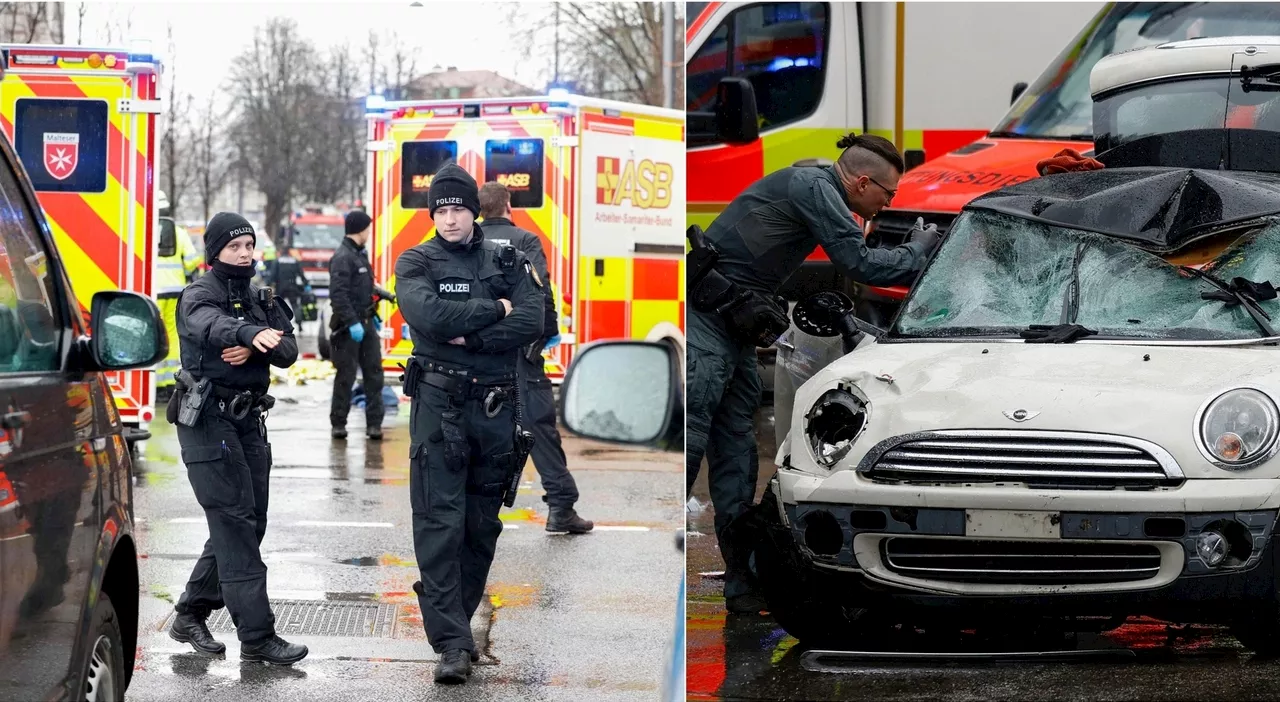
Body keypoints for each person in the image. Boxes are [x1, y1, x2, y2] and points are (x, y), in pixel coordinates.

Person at [686, 133, 942, 614]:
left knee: (736, 455)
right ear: (862, 181)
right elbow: (858, 263)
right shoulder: (814, 187)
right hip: (708, 322)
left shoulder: (815, 187)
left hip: (731, 325)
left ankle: (743, 586)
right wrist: (919, 250)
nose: (887, 204)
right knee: (691, 442)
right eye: (887, 195)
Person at [394, 163, 543, 684]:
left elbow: (535, 318)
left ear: (473, 210)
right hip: (439, 405)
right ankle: (452, 644)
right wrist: (496, 308)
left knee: (481, 526)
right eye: (441, 210)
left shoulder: (508, 257)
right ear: (432, 214)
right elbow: (428, 318)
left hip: (496, 408)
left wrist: (477, 334)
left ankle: (456, 622)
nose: (450, 218)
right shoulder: (415, 259)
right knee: (439, 524)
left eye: (458, 208)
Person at [166, 212, 309, 665]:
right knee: (235, 526)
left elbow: (288, 349)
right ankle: (258, 636)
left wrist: (256, 345)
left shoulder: (256, 294)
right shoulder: (198, 294)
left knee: (249, 522)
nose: (245, 254)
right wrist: (249, 332)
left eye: (249, 245)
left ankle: (190, 612)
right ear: (216, 252)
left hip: (248, 422)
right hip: (209, 422)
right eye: (235, 247)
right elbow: (208, 325)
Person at [478, 181, 593, 534]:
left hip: (480, 352)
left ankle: (479, 513)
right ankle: (561, 507)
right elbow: (540, 289)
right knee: (538, 428)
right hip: (521, 353)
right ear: (508, 204)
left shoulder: (471, 242)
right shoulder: (525, 240)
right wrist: (547, 333)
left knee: (479, 431)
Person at [327, 210, 386, 440]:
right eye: (368, 229)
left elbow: (362, 287)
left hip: (366, 322)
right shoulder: (343, 257)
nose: (369, 233)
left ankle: (374, 425)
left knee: (374, 374)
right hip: (347, 328)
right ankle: (338, 423)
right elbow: (338, 295)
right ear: (360, 230)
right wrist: (352, 323)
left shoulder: (360, 254)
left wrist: (381, 296)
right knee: (346, 376)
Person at [155, 216, 201, 402]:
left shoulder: (145, 227)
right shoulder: (178, 232)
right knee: (173, 335)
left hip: (153, 290)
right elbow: (192, 261)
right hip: (174, 290)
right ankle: (171, 383)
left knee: (155, 335)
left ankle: (156, 384)